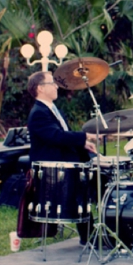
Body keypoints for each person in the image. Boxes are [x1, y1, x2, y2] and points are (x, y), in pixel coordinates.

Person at [25, 71, 98, 244]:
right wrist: (83, 137)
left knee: (92, 182)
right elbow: (55, 136)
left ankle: (91, 232)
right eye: (52, 83)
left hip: (65, 158)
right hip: (53, 165)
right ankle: (89, 234)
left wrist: (82, 144)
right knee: (82, 190)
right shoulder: (38, 113)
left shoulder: (52, 109)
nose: (56, 86)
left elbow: (62, 135)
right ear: (41, 88)